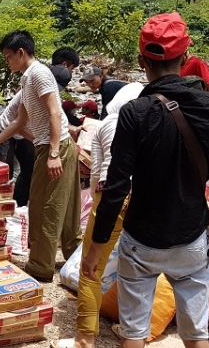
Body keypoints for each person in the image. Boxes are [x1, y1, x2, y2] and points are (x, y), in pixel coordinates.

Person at [81, 12, 209, 348]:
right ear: (185, 58)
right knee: (196, 335)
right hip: (192, 239)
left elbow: (116, 187)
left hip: (142, 239)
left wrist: (95, 248)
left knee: (134, 333)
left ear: (142, 61)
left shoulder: (135, 112)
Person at [50, 82, 143, 348]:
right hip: (145, 200)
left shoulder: (108, 123)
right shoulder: (150, 124)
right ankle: (132, 331)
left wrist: (96, 204)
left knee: (91, 268)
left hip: (112, 197)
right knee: (137, 267)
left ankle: (85, 338)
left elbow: (96, 176)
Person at [0, 30, 82, 282]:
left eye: (9, 57)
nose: (7, 61)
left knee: (47, 207)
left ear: (21, 53)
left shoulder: (39, 74)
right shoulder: (26, 78)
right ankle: (73, 257)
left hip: (56, 148)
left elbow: (55, 113)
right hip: (48, 146)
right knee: (62, 206)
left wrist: (53, 153)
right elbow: (20, 120)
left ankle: (41, 266)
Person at [0, 90, 35, 207]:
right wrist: (36, 140)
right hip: (7, 130)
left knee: (30, 168)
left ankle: (20, 203)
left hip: (24, 133)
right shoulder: (30, 93)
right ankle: (3, 206)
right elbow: (17, 125)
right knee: (6, 172)